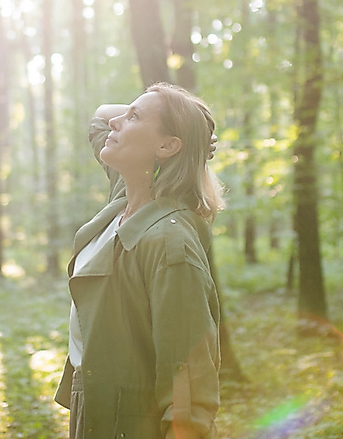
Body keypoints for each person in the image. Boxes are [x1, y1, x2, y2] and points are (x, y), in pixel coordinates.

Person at [55, 82, 224, 439]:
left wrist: (188, 129)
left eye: (133, 116)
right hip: (94, 409)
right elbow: (101, 116)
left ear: (166, 146)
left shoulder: (168, 241)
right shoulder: (126, 198)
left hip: (133, 425)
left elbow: (189, 381)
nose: (116, 122)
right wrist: (193, 130)